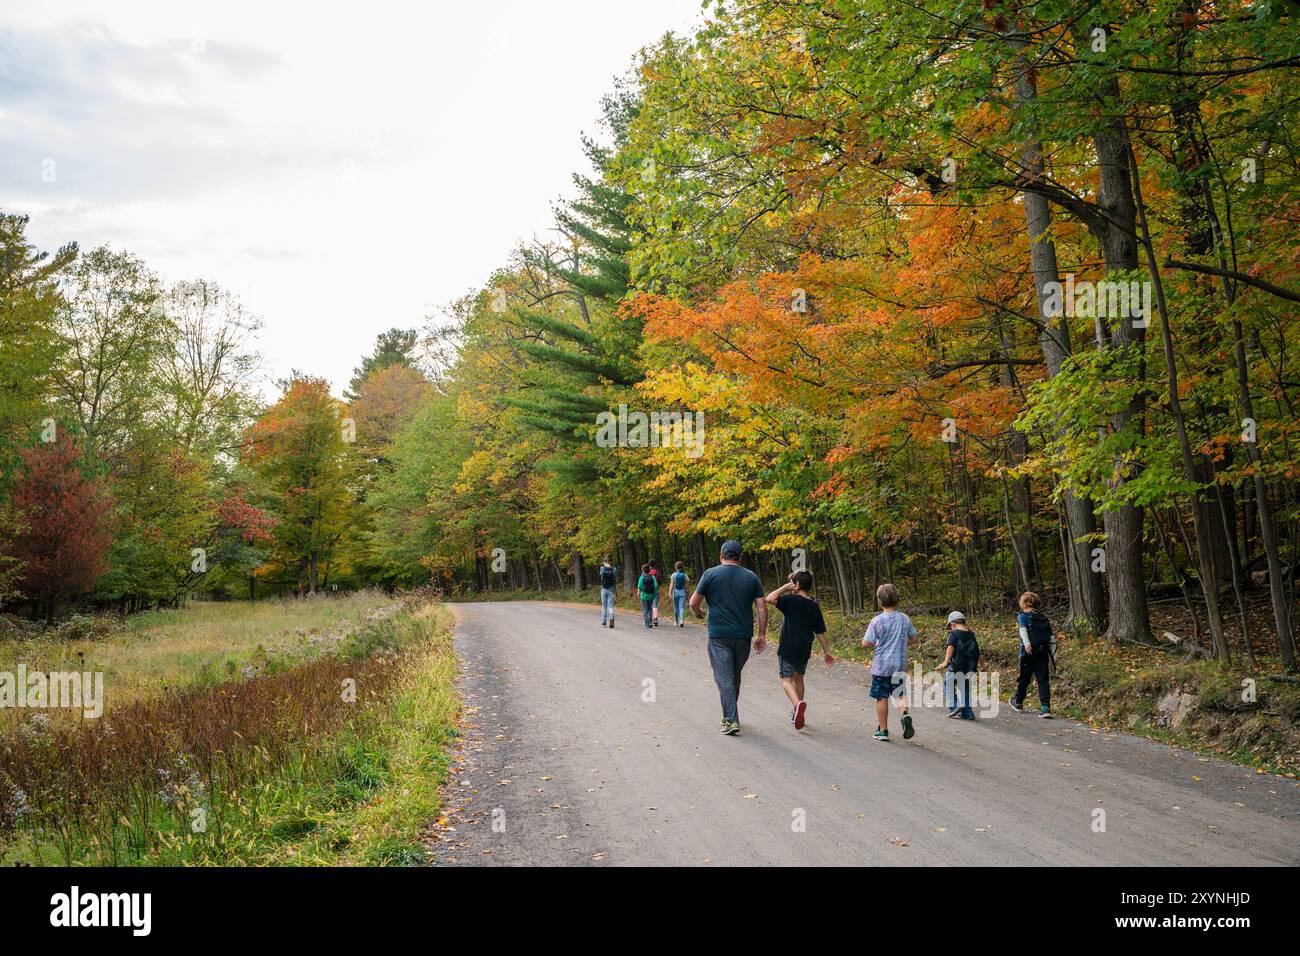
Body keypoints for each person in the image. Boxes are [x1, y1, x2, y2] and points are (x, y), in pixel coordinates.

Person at [689, 540, 767, 735]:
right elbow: (761, 606)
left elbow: (693, 603)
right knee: (733, 674)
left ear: (721, 555)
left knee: (724, 678)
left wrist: (699, 613)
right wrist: (762, 634)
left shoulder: (710, 574)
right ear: (739, 557)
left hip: (719, 635)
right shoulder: (751, 577)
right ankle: (729, 714)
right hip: (743, 636)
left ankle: (731, 719)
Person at [765, 570, 833, 730]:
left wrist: (784, 588)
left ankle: (797, 704)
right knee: (799, 679)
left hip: (788, 646)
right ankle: (797, 712)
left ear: (797, 585)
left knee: (786, 681)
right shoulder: (814, 606)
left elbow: (769, 598)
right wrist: (826, 651)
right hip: (804, 648)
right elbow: (820, 632)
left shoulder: (790, 601)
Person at [862, 582, 918, 742]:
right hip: (899, 665)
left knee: (882, 697)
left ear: (879, 600)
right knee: (900, 694)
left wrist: (876, 643)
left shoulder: (877, 621)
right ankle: (905, 715)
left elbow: (866, 642)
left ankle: (883, 730)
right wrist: (902, 642)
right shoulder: (904, 619)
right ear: (897, 599)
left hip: (882, 667)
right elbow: (914, 638)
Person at [1011, 591, 1055, 718]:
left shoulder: (1023, 615)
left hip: (1028, 652)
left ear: (1025, 603)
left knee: (1025, 678)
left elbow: (1023, 630)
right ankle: (1045, 708)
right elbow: (1051, 638)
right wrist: (1053, 655)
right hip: (1043, 652)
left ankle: (1018, 702)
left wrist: (1027, 644)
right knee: (1043, 680)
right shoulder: (1043, 617)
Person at [937, 610, 980, 720]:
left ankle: (954, 706)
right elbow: (977, 650)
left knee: (948, 685)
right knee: (965, 689)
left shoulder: (953, 634)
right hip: (969, 667)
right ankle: (967, 712)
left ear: (953, 624)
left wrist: (945, 662)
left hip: (955, 667)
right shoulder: (971, 634)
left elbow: (950, 647)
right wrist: (982, 664)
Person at [598, 558, 619, 628]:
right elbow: (616, 579)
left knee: (604, 606)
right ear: (610, 562)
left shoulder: (602, 568)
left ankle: (604, 623)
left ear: (604, 562)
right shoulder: (614, 569)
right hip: (611, 589)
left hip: (603, 588)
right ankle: (611, 620)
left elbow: (601, 578)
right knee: (610, 605)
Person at [637, 564, 659, 629]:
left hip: (644, 596)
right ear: (649, 570)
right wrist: (654, 593)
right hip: (651, 596)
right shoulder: (653, 577)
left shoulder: (642, 577)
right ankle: (650, 623)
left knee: (645, 609)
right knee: (650, 609)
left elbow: (640, 586)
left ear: (643, 570)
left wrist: (643, 590)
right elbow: (655, 586)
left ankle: (646, 624)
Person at [669, 561, 690, 627]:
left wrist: (669, 592)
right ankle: (682, 621)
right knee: (681, 607)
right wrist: (687, 593)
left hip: (676, 592)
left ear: (676, 567)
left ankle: (675, 621)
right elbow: (687, 585)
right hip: (683, 592)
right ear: (682, 567)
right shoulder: (685, 575)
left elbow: (672, 584)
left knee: (676, 607)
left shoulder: (673, 575)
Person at [647, 559, 662, 627]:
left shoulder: (646, 572)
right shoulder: (657, 572)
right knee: (654, 605)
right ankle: (655, 619)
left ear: (648, 564)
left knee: (648, 606)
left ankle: (649, 619)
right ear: (654, 564)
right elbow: (660, 582)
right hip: (656, 591)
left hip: (647, 592)